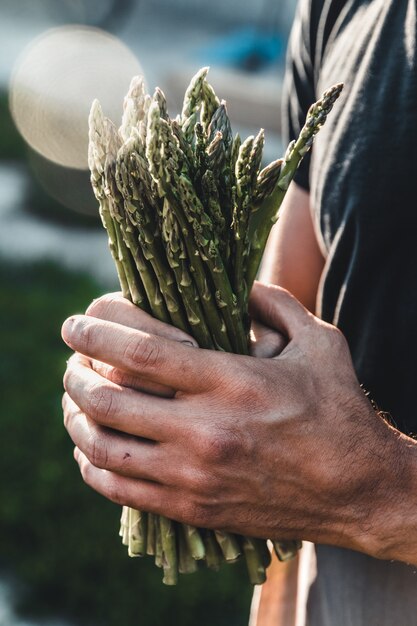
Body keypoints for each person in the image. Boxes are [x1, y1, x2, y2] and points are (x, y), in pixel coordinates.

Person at [61, 0, 417, 623]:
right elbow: (287, 319)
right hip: (340, 564)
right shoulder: (341, 9)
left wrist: (381, 491)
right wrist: (174, 387)